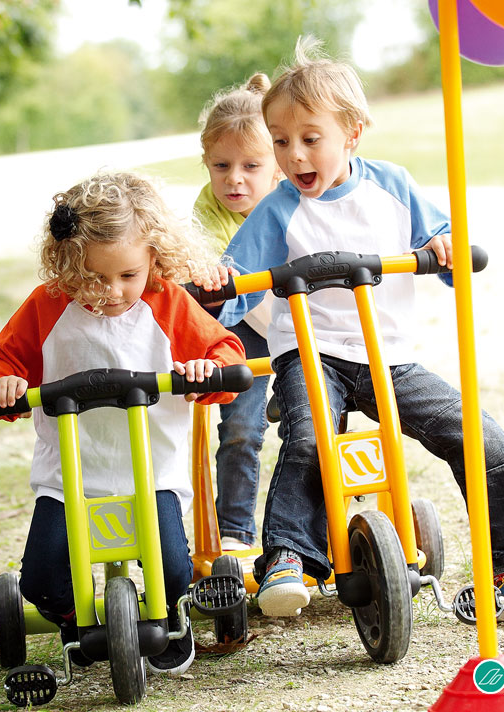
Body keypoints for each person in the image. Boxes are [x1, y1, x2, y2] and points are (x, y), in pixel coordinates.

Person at [220, 38, 504, 624]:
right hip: (311, 354)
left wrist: (443, 247)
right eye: (281, 142)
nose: (293, 156)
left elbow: (445, 247)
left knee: (480, 438)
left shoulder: (393, 187)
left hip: (389, 357)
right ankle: (287, 556)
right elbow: (237, 282)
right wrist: (222, 280)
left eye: (311, 139)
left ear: (352, 134)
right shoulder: (279, 208)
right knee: (310, 438)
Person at [0, 172, 246, 676]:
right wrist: (5, 384)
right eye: (95, 277)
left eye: (128, 275)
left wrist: (203, 371)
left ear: (153, 258)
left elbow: (223, 355)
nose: (113, 291)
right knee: (39, 580)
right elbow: (3, 357)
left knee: (172, 569)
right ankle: (72, 620)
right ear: (67, 263)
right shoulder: (49, 306)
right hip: (69, 479)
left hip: (154, 475)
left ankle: (170, 618)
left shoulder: (166, 301)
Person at [194, 73, 286, 552]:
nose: (234, 179)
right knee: (241, 430)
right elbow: (199, 255)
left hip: (296, 323)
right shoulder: (207, 211)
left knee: (314, 423)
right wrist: (205, 269)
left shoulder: (293, 196)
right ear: (207, 164)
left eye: (251, 166)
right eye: (221, 165)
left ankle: (305, 531)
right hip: (243, 327)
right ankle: (235, 533)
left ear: (277, 165)